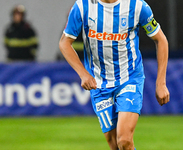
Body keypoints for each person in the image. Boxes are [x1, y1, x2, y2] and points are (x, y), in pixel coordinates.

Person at [59, 0, 170, 149]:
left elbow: (161, 39)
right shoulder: (82, 6)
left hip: (129, 78)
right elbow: (64, 42)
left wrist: (161, 83)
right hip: (99, 84)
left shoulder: (137, 6)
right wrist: (83, 74)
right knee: (115, 146)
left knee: (124, 140)